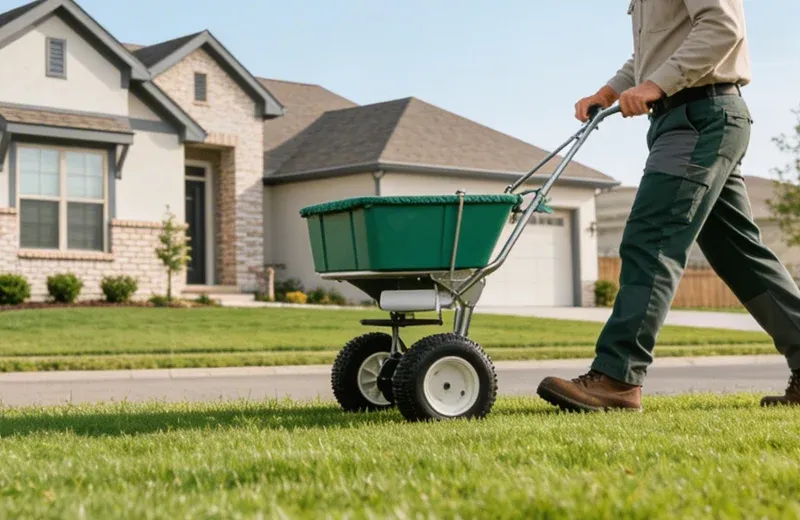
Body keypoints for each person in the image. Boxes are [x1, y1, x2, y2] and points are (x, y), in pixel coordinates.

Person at [536, 0, 800, 412]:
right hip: (683, 118)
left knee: (651, 238)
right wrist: (610, 90)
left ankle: (618, 377)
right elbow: (653, 53)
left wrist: (656, 86)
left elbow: (721, 28)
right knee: (740, 257)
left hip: (700, 115)